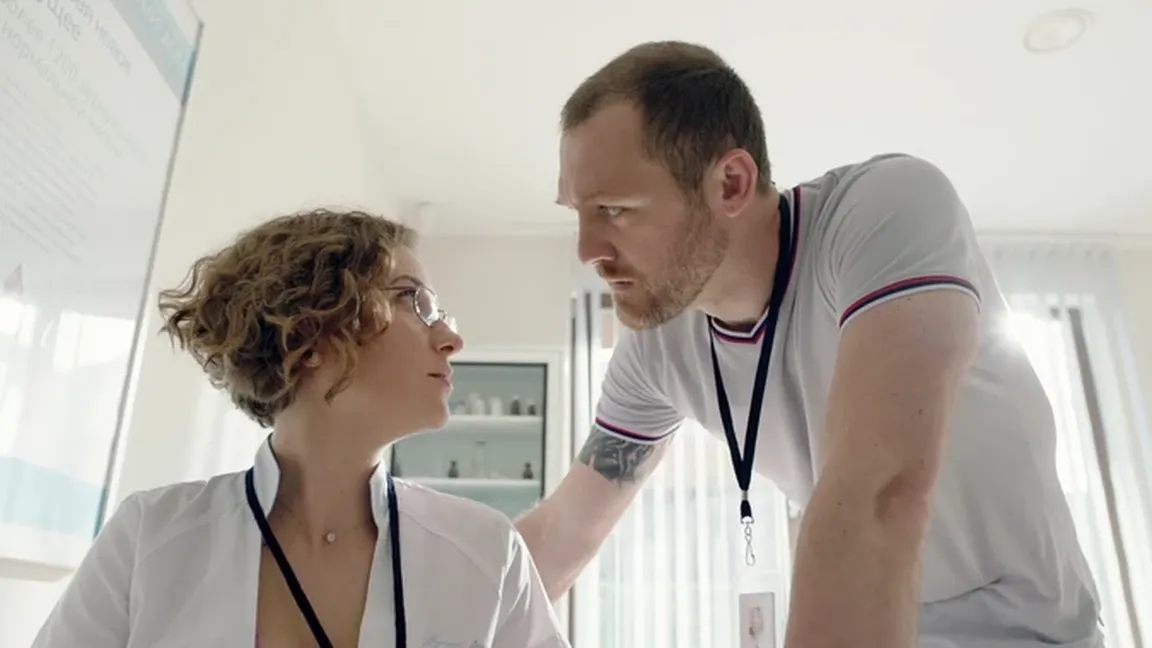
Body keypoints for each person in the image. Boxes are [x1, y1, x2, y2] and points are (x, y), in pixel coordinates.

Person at [517, 41, 1104, 647]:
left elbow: (879, 495)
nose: (586, 250)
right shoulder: (655, 348)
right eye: (578, 212)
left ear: (731, 184)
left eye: (615, 209)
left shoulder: (886, 209)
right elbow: (563, 533)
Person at [32, 210, 569, 648]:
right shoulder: (149, 539)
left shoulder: (486, 552)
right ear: (309, 333)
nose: (451, 338)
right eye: (414, 301)